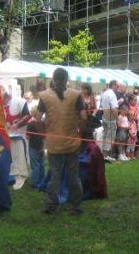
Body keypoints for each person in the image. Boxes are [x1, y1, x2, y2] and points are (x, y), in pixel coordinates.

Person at [35, 68, 87, 215]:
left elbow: (37, 119)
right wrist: (80, 133)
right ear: (66, 79)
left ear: (53, 78)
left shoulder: (44, 96)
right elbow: (83, 117)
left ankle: (52, 205)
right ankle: (76, 206)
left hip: (53, 143)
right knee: (74, 176)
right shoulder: (76, 95)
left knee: (55, 175)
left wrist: (43, 135)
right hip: (72, 142)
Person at [26, 106, 45, 189]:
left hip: (33, 147)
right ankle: (42, 180)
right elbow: (45, 136)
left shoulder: (30, 124)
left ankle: (34, 183)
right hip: (41, 146)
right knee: (42, 164)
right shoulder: (43, 123)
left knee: (35, 166)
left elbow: (28, 137)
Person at [99, 80, 119, 162]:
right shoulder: (112, 94)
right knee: (110, 137)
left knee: (105, 136)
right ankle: (106, 155)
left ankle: (104, 155)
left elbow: (100, 105)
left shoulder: (104, 93)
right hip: (111, 118)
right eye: (117, 86)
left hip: (104, 117)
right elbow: (114, 108)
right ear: (113, 85)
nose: (117, 88)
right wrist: (117, 118)